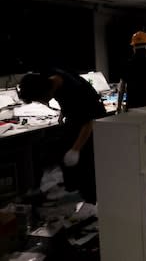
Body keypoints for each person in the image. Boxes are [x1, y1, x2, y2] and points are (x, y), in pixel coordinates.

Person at [18, 68, 107, 203]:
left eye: (40, 99)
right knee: (63, 147)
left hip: (95, 120)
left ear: (45, 91)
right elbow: (64, 100)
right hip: (76, 116)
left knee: (86, 161)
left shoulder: (75, 91)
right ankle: (72, 189)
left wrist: (75, 149)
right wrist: (63, 113)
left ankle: (92, 202)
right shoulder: (48, 77)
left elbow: (88, 123)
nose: (42, 102)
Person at [117, 31, 146, 112]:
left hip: (132, 107)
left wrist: (118, 107)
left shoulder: (127, 65)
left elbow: (122, 88)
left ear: (134, 48)